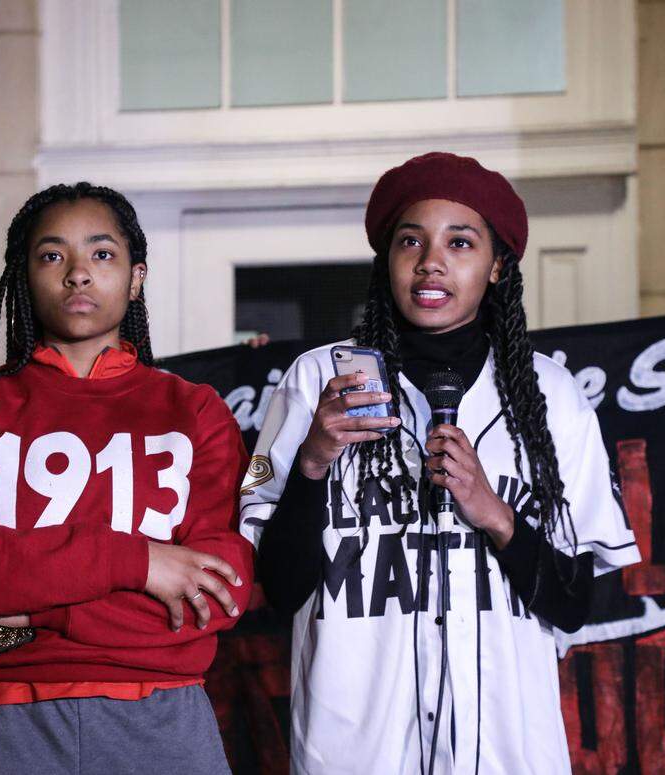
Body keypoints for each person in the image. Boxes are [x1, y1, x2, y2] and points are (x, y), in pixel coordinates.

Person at [239, 153, 640, 774]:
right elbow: (282, 587)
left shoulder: (552, 395)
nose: (432, 261)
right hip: (357, 751)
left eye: (460, 242)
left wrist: (495, 513)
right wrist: (314, 459)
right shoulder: (319, 379)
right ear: (388, 262)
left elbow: (574, 605)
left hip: (506, 751)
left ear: (497, 265)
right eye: (411, 241)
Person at [0, 182, 252, 774]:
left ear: (136, 276)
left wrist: (39, 615)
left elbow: (220, 592)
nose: (77, 274)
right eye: (51, 255)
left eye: (101, 253)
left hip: (162, 717)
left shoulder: (195, 410)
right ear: (25, 275)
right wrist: (140, 564)